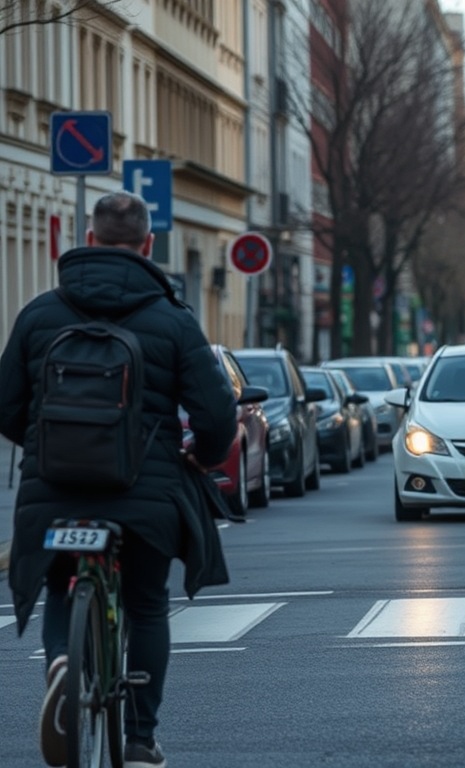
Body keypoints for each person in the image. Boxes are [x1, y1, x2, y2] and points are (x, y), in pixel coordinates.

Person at [0, 191, 237, 768]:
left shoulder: (39, 314)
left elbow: (6, 406)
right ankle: (139, 739)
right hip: (143, 496)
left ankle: (62, 660)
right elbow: (215, 416)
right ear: (149, 246)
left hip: (52, 494)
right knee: (147, 603)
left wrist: (42, 444)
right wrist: (201, 457)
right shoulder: (173, 319)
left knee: (61, 582)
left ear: (87, 239)